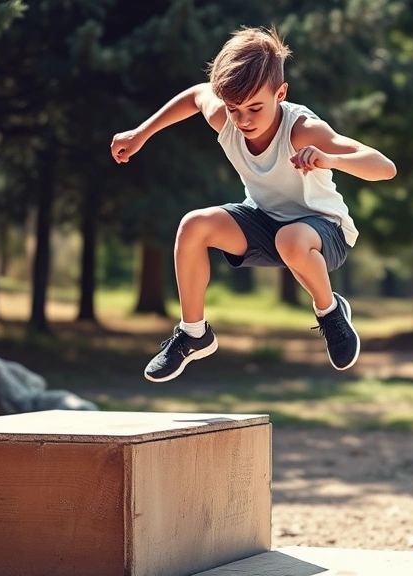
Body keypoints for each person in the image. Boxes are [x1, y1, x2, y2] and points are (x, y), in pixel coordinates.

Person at [110, 26, 397, 382]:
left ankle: (330, 312)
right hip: (264, 222)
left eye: (255, 108)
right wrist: (140, 134)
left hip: (324, 234)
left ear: (281, 93)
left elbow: (385, 167)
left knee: (291, 239)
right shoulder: (224, 117)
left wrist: (329, 159)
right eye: (234, 109)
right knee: (193, 226)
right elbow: (197, 95)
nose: (243, 120)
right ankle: (194, 333)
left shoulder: (302, 129)